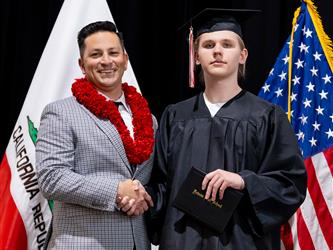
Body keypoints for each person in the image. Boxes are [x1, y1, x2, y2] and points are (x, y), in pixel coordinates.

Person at [146, 8, 307, 250]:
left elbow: (290, 185)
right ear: (196, 56)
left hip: (242, 241)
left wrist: (243, 181)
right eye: (208, 44)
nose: (218, 51)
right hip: (181, 240)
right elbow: (160, 184)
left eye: (227, 44)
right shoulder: (175, 116)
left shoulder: (267, 117)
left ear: (242, 55)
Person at [35, 21, 157, 250]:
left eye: (113, 52)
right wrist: (116, 190)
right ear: (82, 64)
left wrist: (143, 195)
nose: (106, 61)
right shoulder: (60, 112)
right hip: (82, 243)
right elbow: (51, 178)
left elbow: (149, 179)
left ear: (125, 59)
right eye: (95, 54)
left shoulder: (149, 119)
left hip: (138, 243)